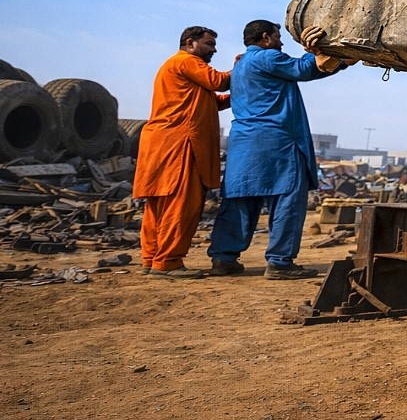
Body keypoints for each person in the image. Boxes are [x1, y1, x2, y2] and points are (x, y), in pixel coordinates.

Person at [207, 20, 350, 279]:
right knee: (287, 199)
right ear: (265, 38)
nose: (281, 42)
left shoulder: (240, 66)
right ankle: (280, 262)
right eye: (278, 37)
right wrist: (315, 48)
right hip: (277, 143)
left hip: (243, 146)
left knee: (239, 201)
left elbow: (306, 71)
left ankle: (224, 258)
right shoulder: (267, 57)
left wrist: (340, 63)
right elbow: (303, 68)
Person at [133, 26, 231, 280]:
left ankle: (151, 258)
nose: (214, 49)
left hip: (162, 143)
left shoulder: (178, 68)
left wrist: (238, 95)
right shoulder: (186, 61)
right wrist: (245, 67)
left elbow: (212, 99)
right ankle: (168, 262)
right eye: (209, 44)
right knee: (181, 204)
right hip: (180, 145)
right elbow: (218, 81)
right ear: (190, 43)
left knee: (159, 205)